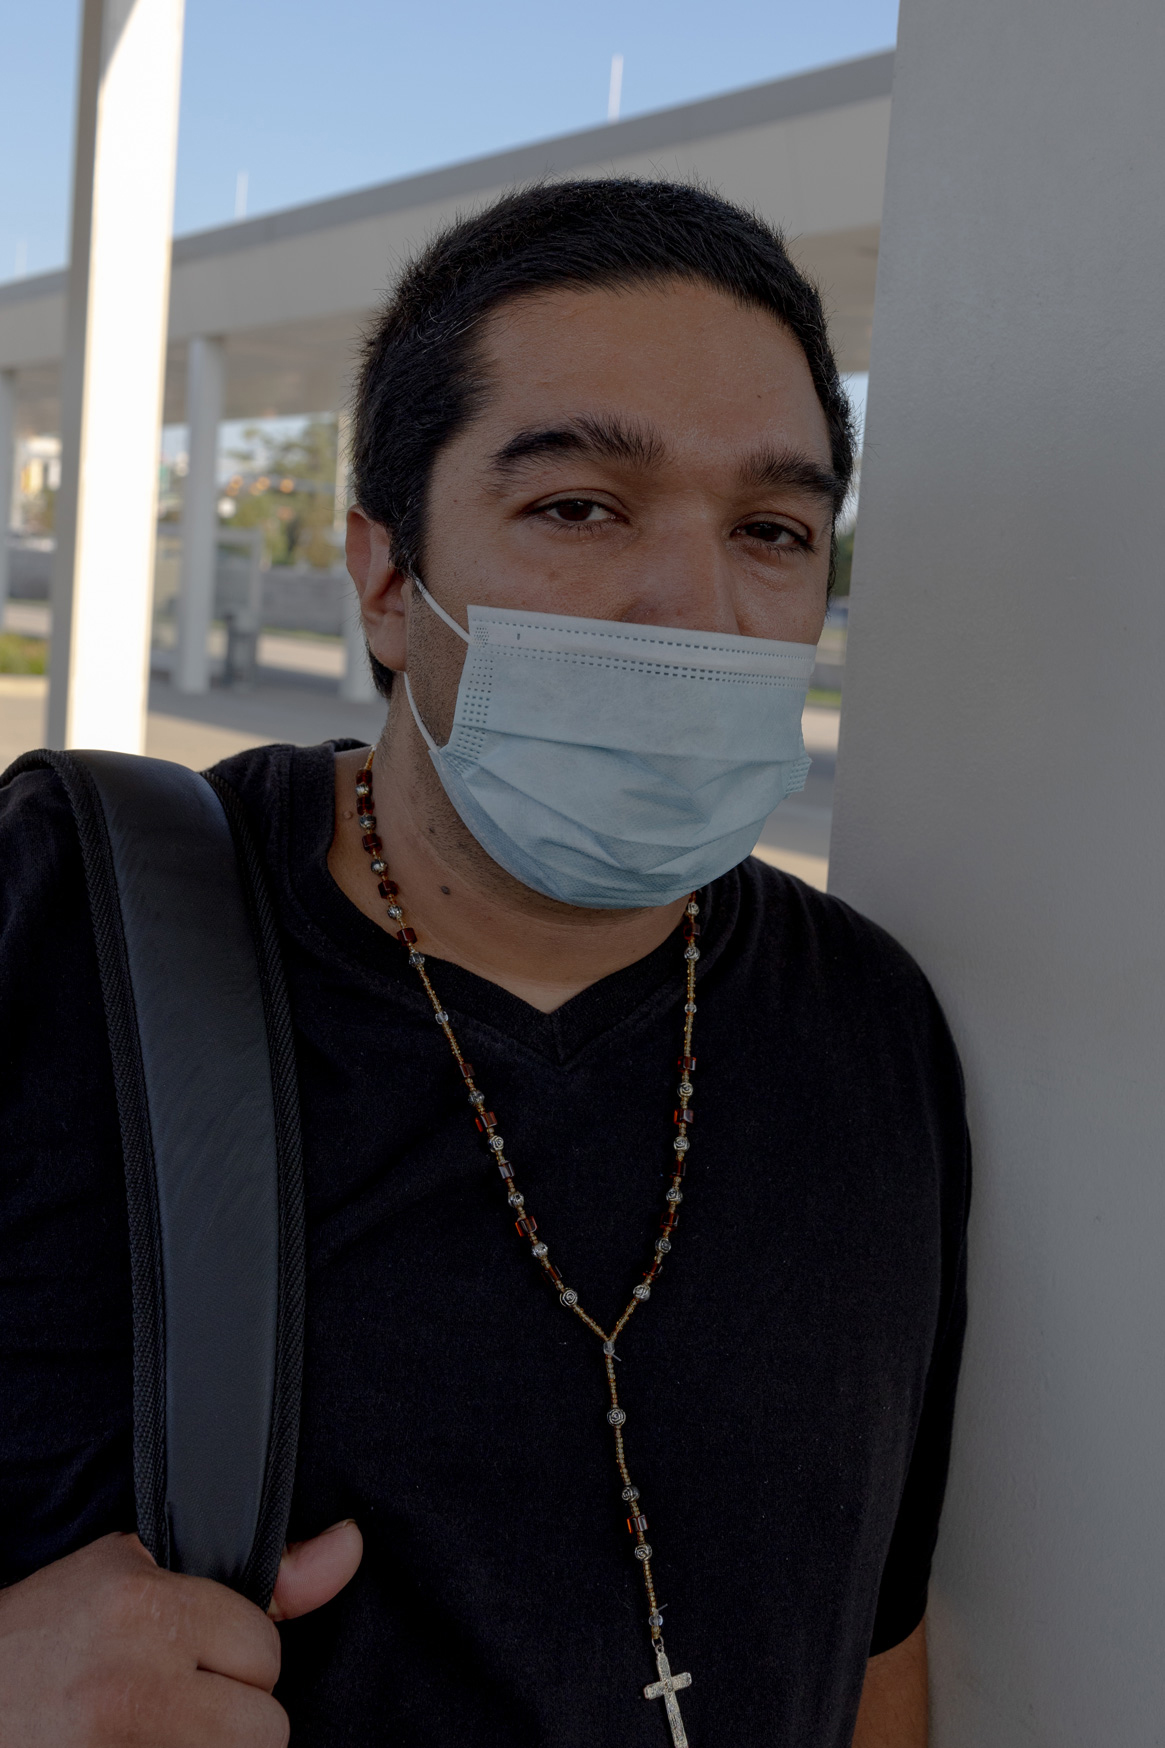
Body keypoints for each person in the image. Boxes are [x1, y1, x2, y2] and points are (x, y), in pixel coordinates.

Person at [0, 179, 969, 1746]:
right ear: (388, 582)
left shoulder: (867, 1024)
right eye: (578, 507)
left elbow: (873, 1639)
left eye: (771, 532)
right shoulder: (62, 932)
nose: (696, 608)